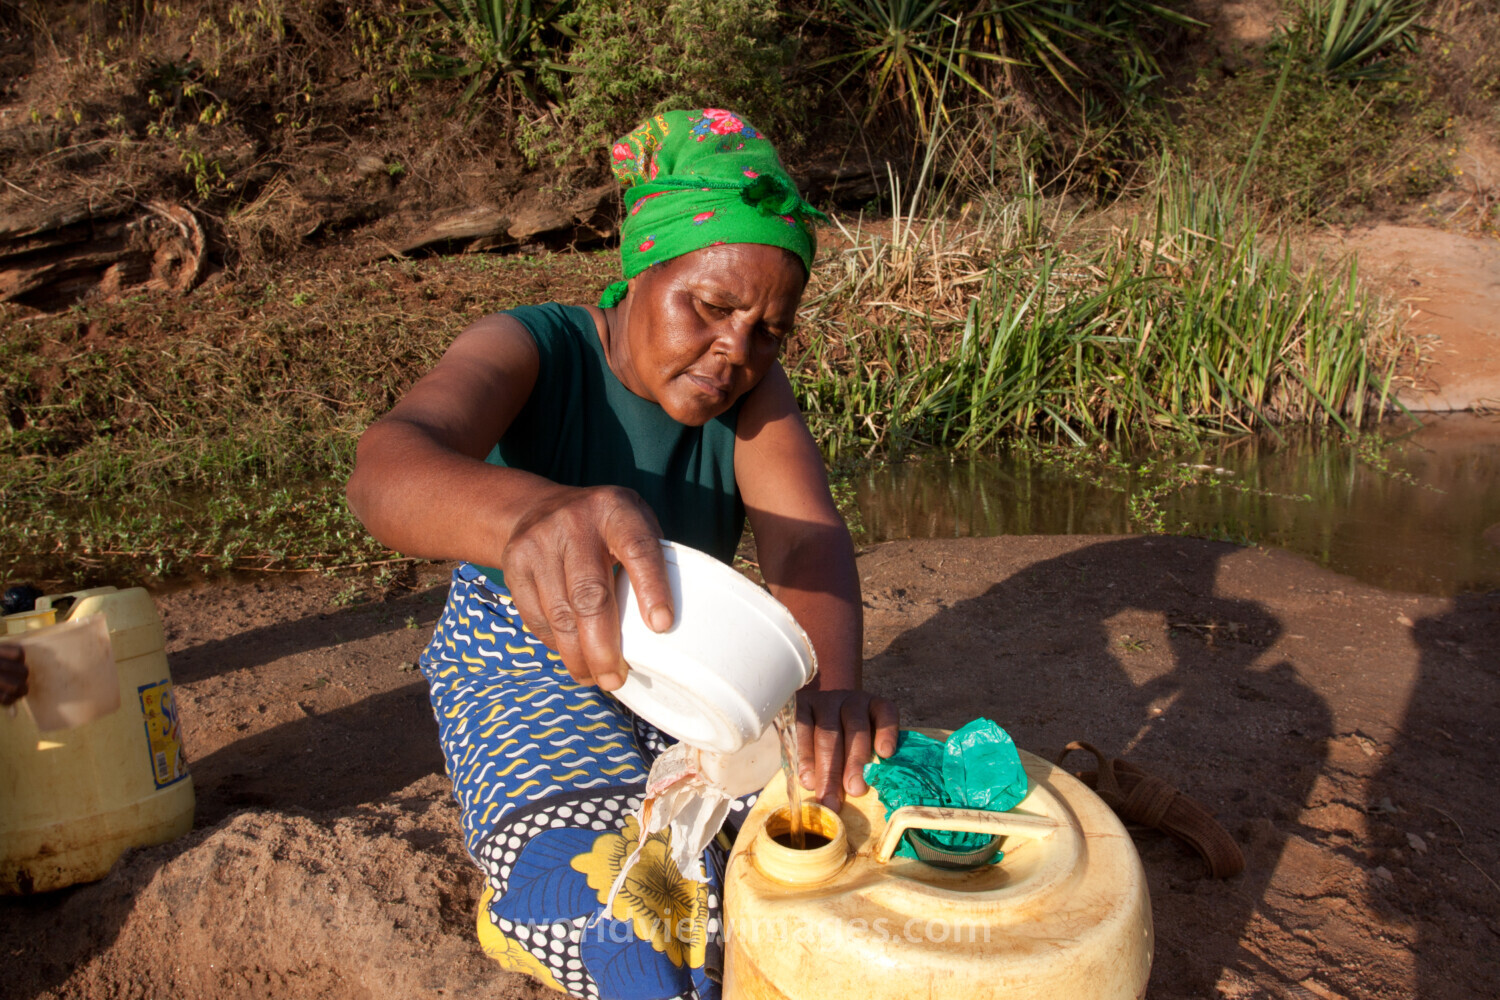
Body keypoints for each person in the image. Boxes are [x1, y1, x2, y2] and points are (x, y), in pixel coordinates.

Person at [347, 108, 898, 1000]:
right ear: (641, 269)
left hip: (694, 667)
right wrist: (532, 514)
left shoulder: (752, 396)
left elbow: (809, 538)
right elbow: (385, 470)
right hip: (527, 654)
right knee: (638, 918)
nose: (735, 352)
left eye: (770, 329)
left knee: (817, 854)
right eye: (711, 308)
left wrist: (830, 693)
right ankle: (522, 908)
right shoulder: (534, 347)